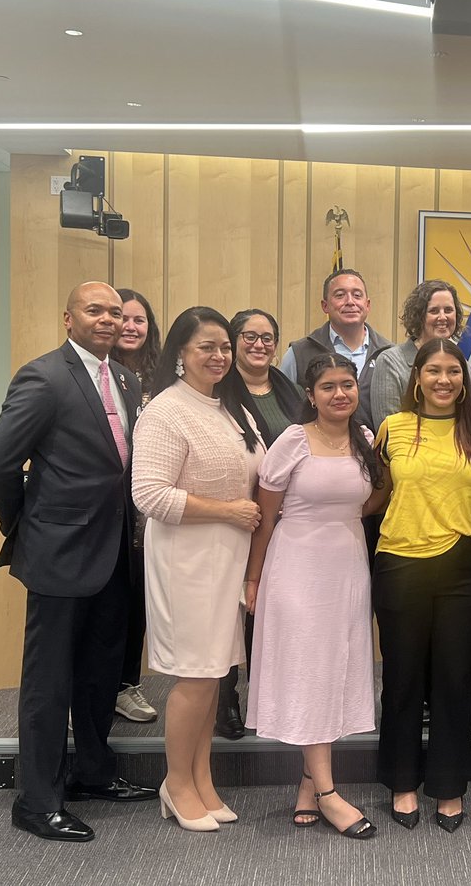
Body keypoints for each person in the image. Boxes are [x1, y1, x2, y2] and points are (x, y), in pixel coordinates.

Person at [0, 281, 156, 843]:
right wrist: (26, 526)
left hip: (115, 554)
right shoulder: (45, 377)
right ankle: (36, 800)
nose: (108, 319)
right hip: (58, 554)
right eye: (95, 310)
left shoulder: (126, 378)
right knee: (49, 683)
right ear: (68, 317)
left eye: (116, 312)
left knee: (101, 677)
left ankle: (94, 775)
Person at [132, 306, 265, 832]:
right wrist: (228, 511)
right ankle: (176, 782)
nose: (219, 356)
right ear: (181, 354)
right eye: (206, 347)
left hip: (226, 560)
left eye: (224, 347)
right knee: (194, 676)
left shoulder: (231, 408)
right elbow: (149, 494)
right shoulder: (165, 410)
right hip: (186, 560)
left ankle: (202, 777)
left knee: (215, 676)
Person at [243, 354, 386, 840]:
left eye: (348, 384)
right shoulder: (291, 441)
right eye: (328, 386)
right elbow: (265, 518)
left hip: (347, 564)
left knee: (335, 670)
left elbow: (374, 497)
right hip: (297, 565)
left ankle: (308, 783)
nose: (340, 394)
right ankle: (328, 794)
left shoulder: (366, 441)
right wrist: (253, 578)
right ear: (311, 393)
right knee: (309, 672)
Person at [374, 338, 471, 833]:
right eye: (433, 371)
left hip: (462, 566)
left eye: (453, 371)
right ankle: (402, 781)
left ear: (464, 380)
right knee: (403, 677)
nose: (443, 380)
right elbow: (375, 495)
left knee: (455, 679)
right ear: (417, 378)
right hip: (400, 563)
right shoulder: (393, 428)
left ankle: (448, 786)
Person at [213, 308, 306, 741]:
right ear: (233, 342)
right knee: (233, 609)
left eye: (268, 338)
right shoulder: (218, 391)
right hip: (235, 516)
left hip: (286, 520)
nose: (259, 345)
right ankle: (224, 695)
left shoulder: (288, 390)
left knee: (269, 610)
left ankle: (267, 697)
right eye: (249, 337)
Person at [109, 287, 162, 725]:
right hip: (106, 508)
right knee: (103, 602)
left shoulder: (163, 378)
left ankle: (126, 685)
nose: (130, 326)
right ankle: (90, 688)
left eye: (139, 319)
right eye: (122, 318)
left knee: (136, 602)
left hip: (149, 512)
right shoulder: (94, 373)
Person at [279, 268, 393, 429]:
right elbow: (282, 408)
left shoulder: (389, 355)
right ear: (325, 306)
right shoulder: (298, 354)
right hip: (316, 450)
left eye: (357, 295)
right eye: (340, 295)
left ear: (367, 305)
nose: (350, 302)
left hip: (376, 452)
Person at [371, 279, 465, 424]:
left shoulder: (462, 363)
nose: (442, 317)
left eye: (448, 310)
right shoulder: (390, 362)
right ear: (418, 316)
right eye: (434, 311)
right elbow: (388, 430)